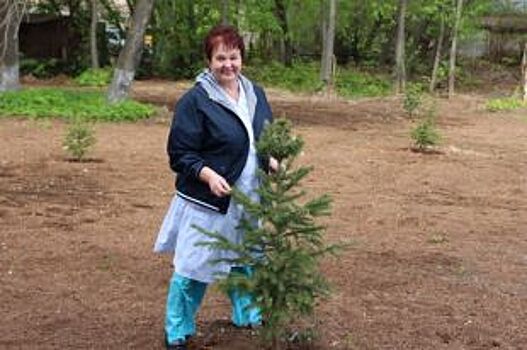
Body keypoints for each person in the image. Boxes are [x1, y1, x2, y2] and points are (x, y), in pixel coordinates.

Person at [154, 24, 276, 350]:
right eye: (220, 58)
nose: (228, 65)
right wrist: (207, 174)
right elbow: (180, 154)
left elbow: (265, 136)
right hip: (207, 200)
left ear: (242, 59)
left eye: (233, 57)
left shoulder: (254, 93)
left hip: (249, 196)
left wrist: (272, 158)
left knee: (246, 255)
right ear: (209, 60)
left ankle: (247, 313)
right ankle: (177, 330)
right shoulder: (195, 100)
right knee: (194, 263)